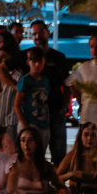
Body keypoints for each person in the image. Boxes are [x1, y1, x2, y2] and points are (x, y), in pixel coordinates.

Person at [29, 20, 70, 164]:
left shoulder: (59, 57)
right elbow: (2, 69)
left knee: (59, 155)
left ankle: (58, 179)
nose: (37, 36)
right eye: (34, 33)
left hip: (55, 113)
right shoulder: (27, 56)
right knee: (34, 156)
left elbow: (67, 85)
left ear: (48, 33)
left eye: (40, 32)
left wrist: (63, 108)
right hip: (34, 115)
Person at [14, 127, 70, 194]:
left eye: (31, 140)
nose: (26, 144)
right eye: (23, 140)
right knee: (14, 193)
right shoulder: (14, 165)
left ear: (37, 142)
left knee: (65, 193)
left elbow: (60, 187)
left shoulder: (46, 166)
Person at [66, 33, 97, 128]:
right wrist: (80, 100)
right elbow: (70, 83)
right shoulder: (83, 68)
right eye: (92, 47)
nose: (94, 50)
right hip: (88, 118)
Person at [14, 47, 51, 152]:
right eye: (34, 61)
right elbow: (16, 105)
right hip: (29, 122)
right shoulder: (25, 80)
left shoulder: (45, 80)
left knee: (40, 153)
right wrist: (25, 125)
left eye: (40, 61)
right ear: (28, 62)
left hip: (43, 124)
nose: (37, 64)